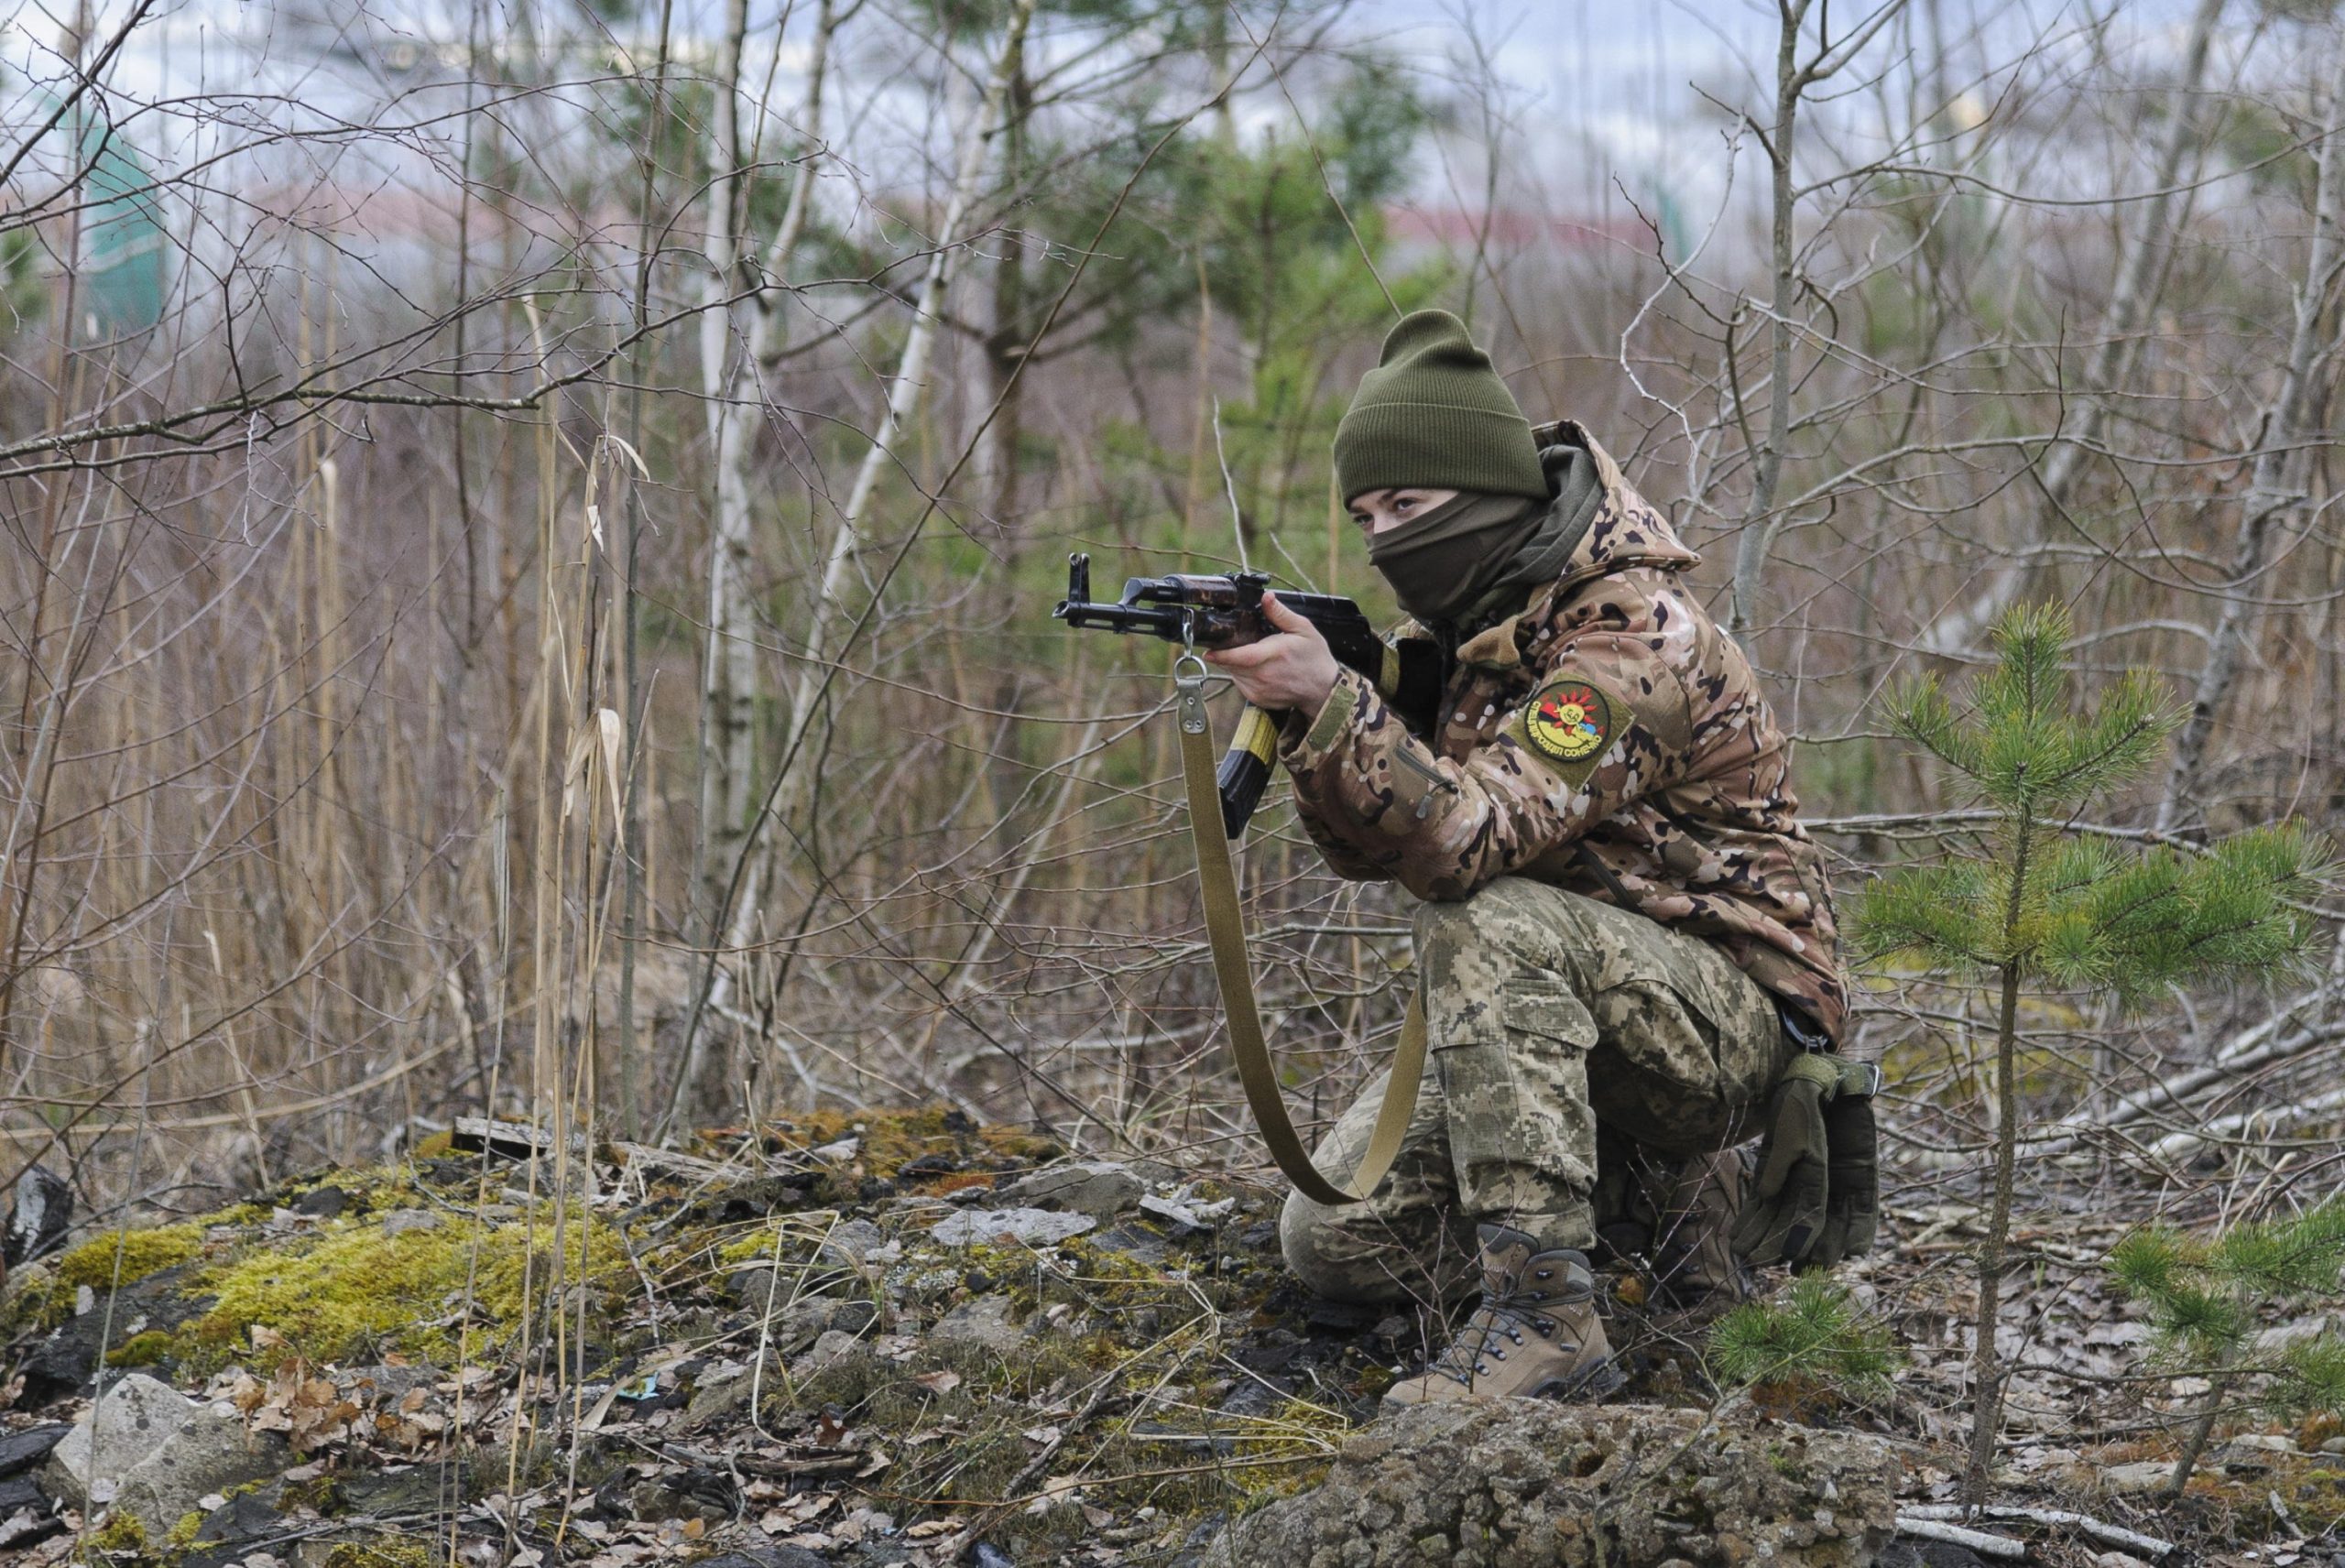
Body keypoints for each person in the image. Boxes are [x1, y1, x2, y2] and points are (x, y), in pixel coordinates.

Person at [1201, 309, 1867, 1406]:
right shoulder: (1483, 634)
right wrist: (1332, 719)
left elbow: (1465, 846)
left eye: (1408, 505)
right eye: (1366, 515)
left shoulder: (1632, 637)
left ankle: (1545, 1316)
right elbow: (1376, 852)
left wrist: (1339, 700)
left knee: (1483, 919)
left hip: (1738, 1018)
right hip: (1583, 997)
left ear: (1492, 492)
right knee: (1338, 1241)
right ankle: (1623, 1201)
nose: (1383, 539)